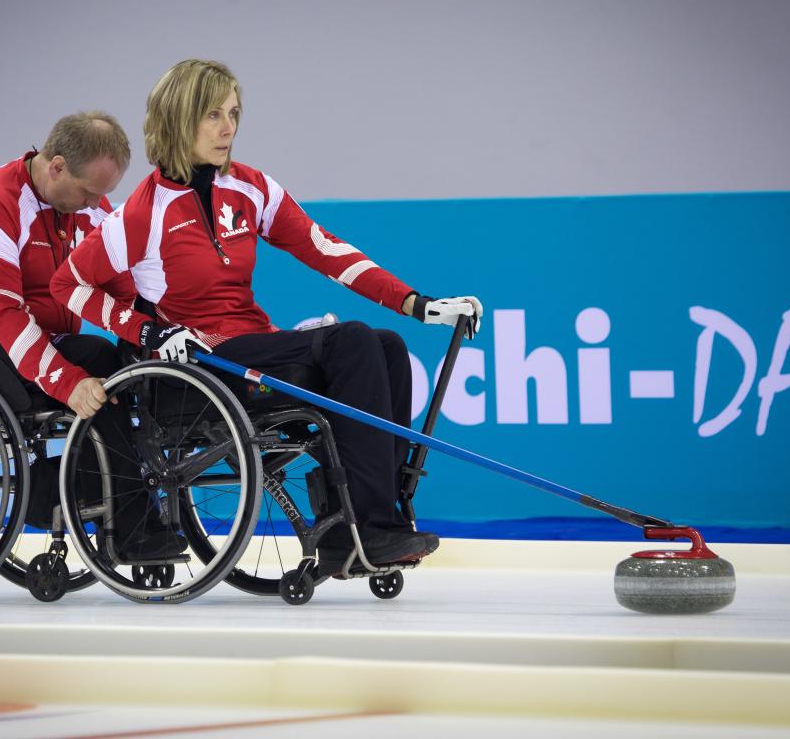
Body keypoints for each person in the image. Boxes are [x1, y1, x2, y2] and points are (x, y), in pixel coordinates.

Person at [50, 61, 482, 571]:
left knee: (386, 345)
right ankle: (366, 527)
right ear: (177, 120)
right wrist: (147, 330)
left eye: (233, 113)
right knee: (352, 341)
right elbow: (68, 284)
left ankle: (362, 523)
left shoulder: (250, 188)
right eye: (212, 115)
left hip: (252, 341)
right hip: (202, 360)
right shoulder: (144, 213)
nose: (228, 128)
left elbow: (324, 248)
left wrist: (414, 302)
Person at [0, 110, 181, 558]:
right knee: (95, 364)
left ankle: (103, 492)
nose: (94, 203)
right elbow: (6, 316)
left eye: (103, 195)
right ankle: (128, 521)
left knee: (129, 363)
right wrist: (68, 382)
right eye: (87, 192)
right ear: (56, 165)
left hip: (41, 336)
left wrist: (160, 334)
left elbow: (125, 289)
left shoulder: (90, 206)